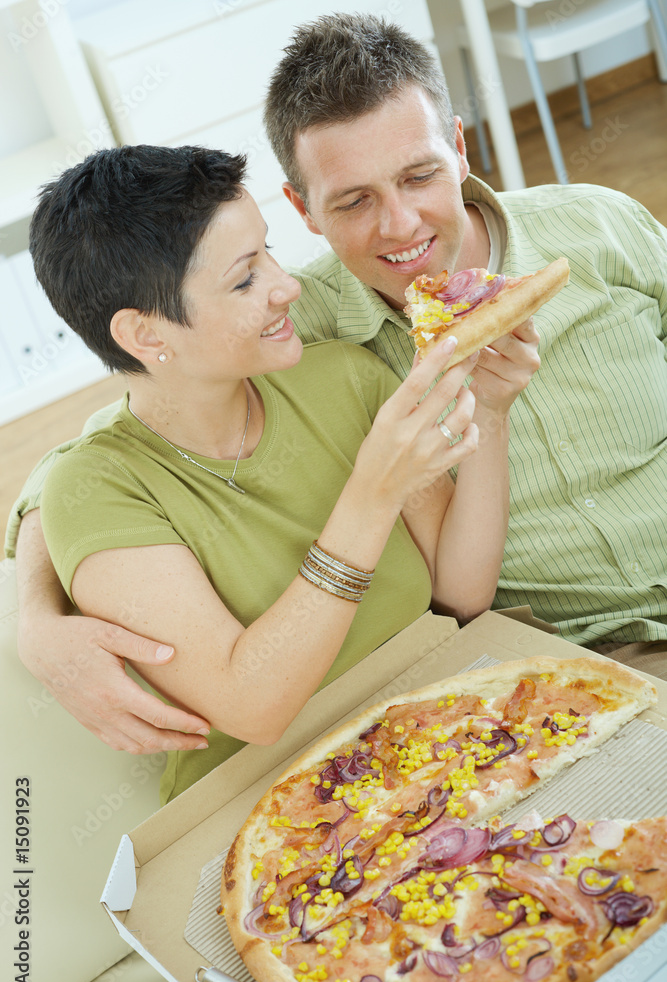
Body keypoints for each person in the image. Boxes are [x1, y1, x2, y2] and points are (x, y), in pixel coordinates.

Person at [9, 12, 665, 757]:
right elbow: (100, 453)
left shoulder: (599, 226)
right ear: (303, 210)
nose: (399, 224)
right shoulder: (298, 336)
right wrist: (32, 619)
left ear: (457, 145)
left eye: (419, 175)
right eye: (352, 200)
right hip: (570, 660)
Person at [18, 143, 535, 802]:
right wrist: (370, 496)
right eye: (243, 279)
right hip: (280, 807)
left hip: (439, 738)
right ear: (147, 336)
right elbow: (254, 706)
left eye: (268, 252)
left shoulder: (343, 376)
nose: (286, 286)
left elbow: (461, 593)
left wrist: (488, 409)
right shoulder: (98, 491)